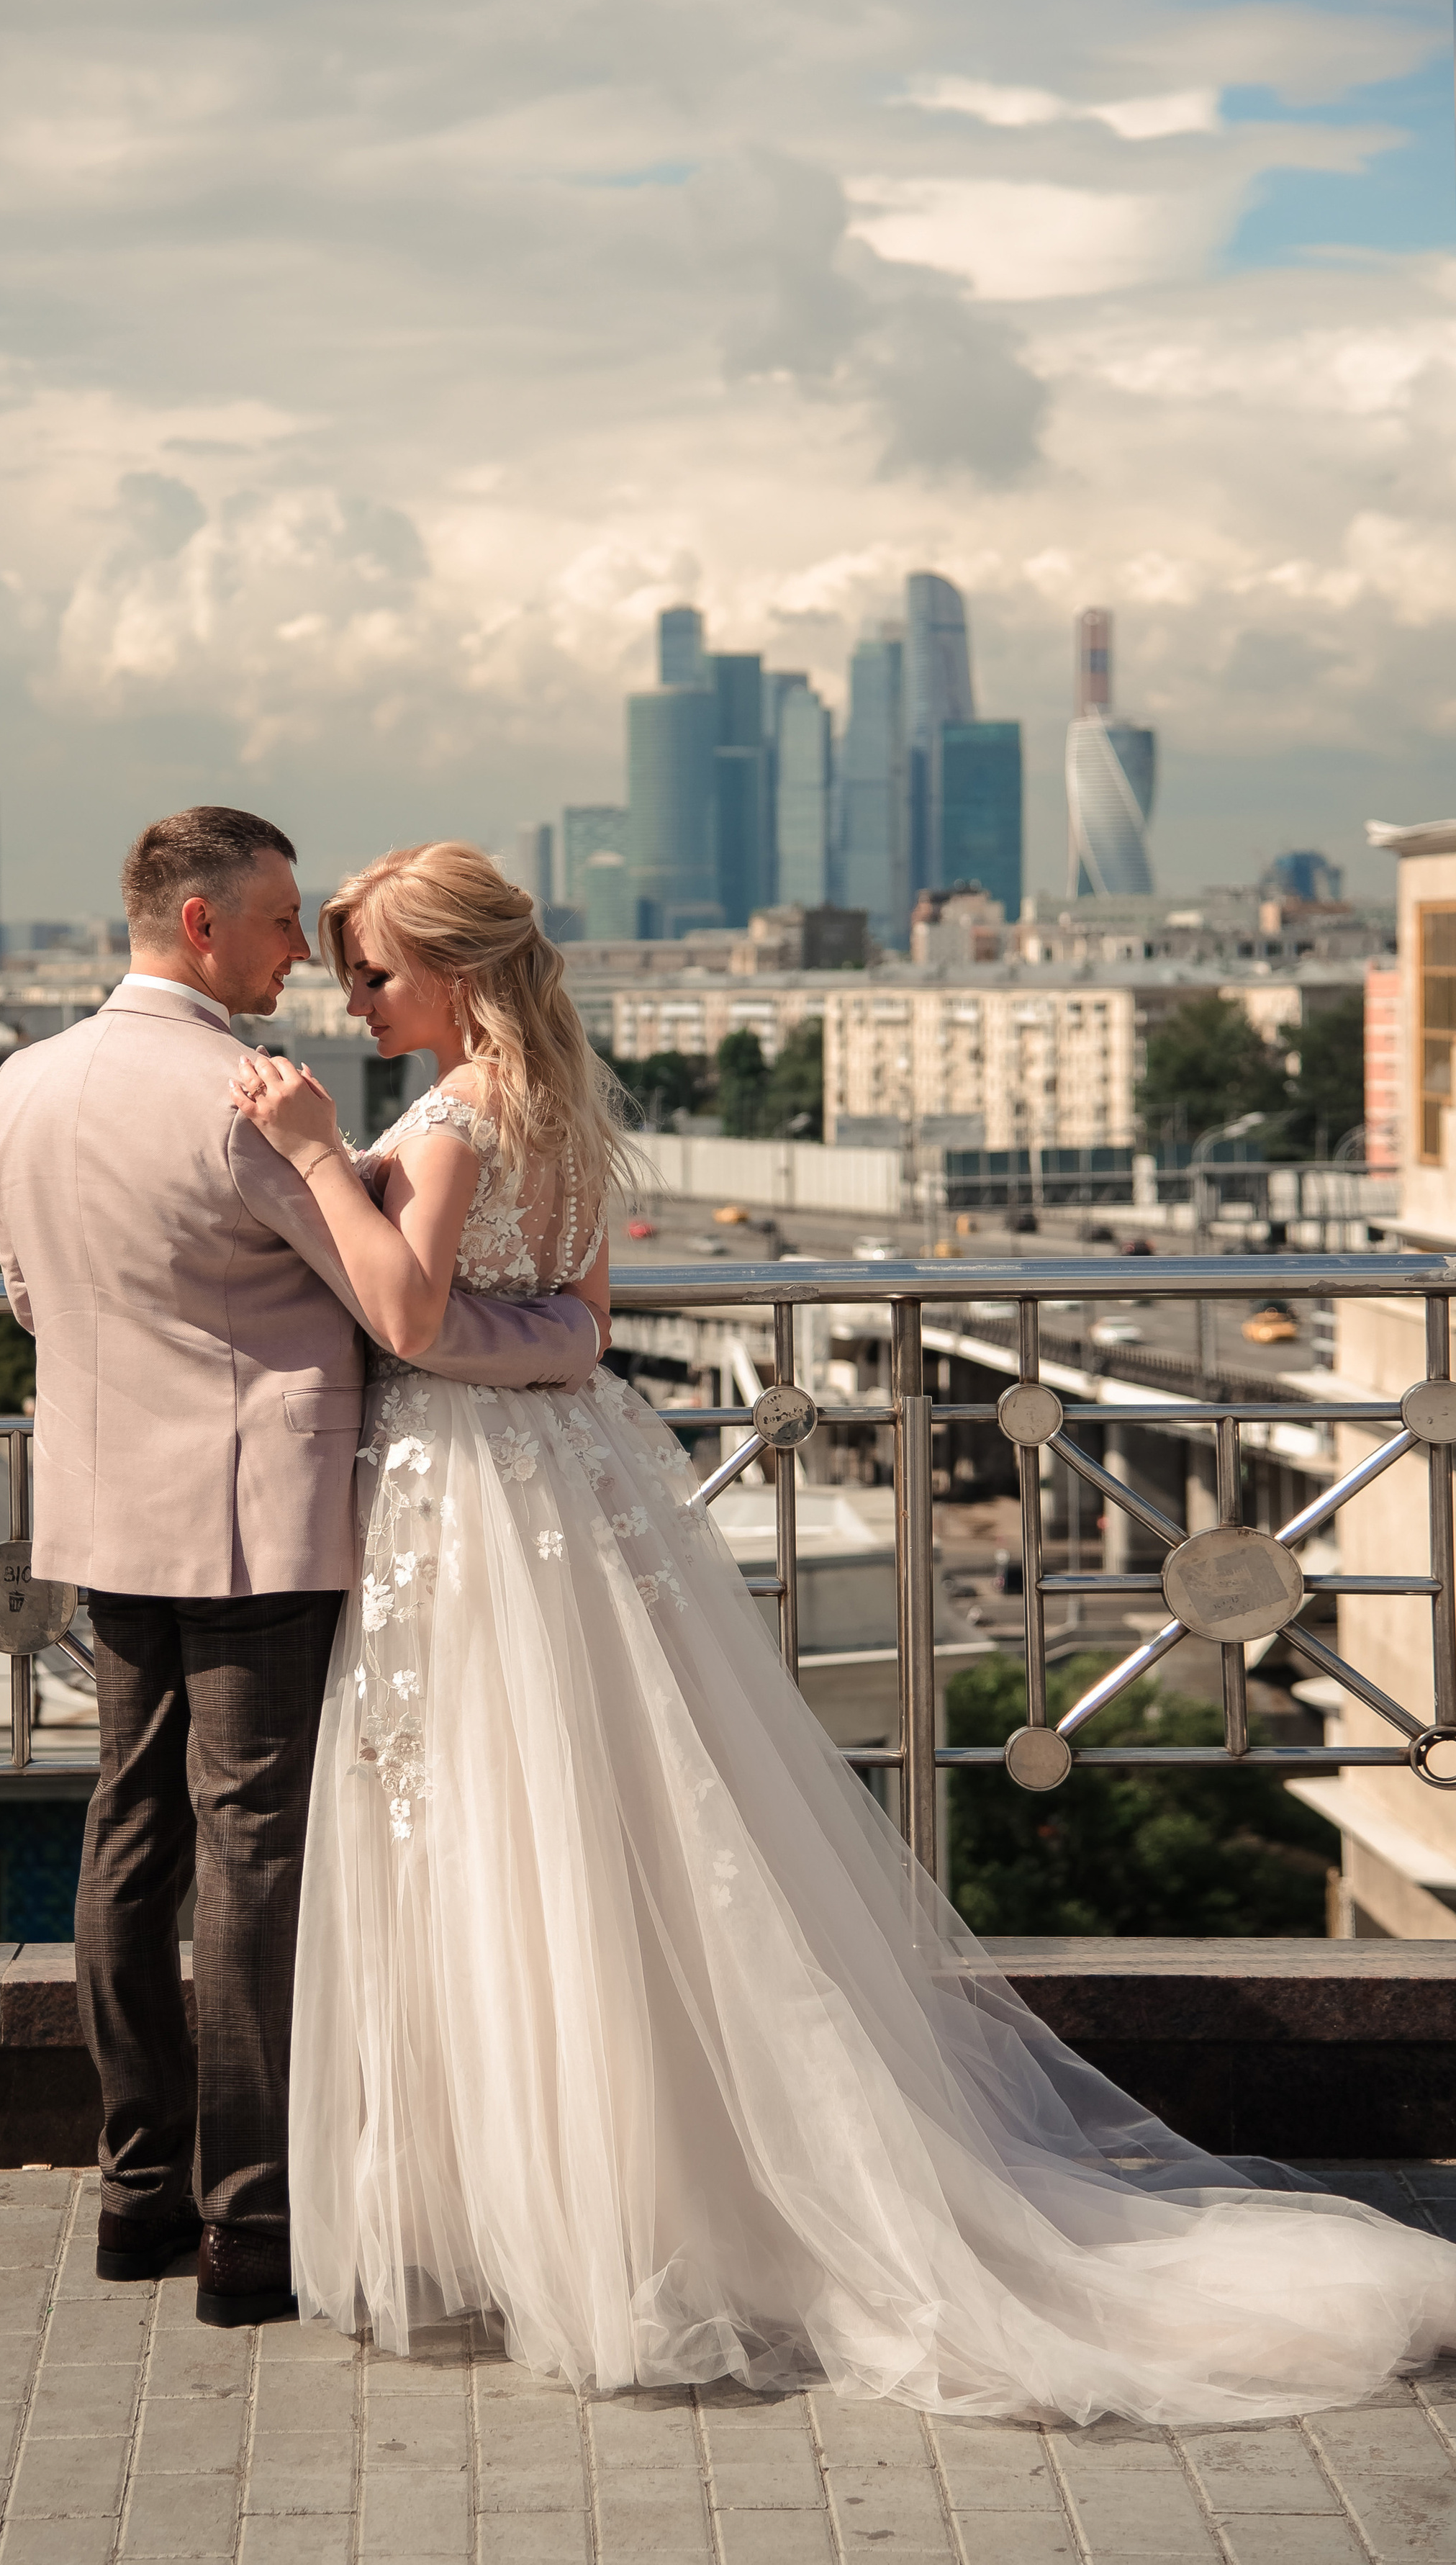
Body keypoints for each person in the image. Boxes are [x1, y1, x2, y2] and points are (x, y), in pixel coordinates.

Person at [234, 838, 1456, 2425]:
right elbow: (586, 1332)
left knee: (500, 1828)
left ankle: (552, 2212)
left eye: (377, 969)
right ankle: (604, 2196)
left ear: (455, 974)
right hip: (572, 1486)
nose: (353, 995)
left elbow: (401, 1316)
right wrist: (531, 1355)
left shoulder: (459, 1113)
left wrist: (318, 1158)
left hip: (472, 1503)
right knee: (602, 1827)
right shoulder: (572, 1116)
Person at [0, 807, 601, 2329]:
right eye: (275, 927)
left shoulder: (20, 1083)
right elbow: (401, 1308)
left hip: (100, 1503)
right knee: (251, 1844)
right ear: (203, 926)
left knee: (128, 1826)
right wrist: (570, 1341)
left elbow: (19, 1294)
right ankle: (245, 2228)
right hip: (260, 1508)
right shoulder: (255, 1103)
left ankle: (135, 2191)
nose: (300, 967)